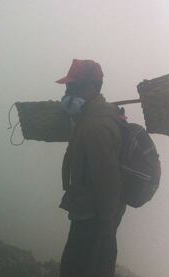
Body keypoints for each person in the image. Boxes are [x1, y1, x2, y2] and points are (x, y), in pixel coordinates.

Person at [57, 59, 126, 276]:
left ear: (91, 88)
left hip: (94, 220)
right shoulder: (87, 117)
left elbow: (107, 181)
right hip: (88, 214)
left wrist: (105, 227)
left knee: (79, 269)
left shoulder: (96, 125)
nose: (68, 91)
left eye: (73, 86)